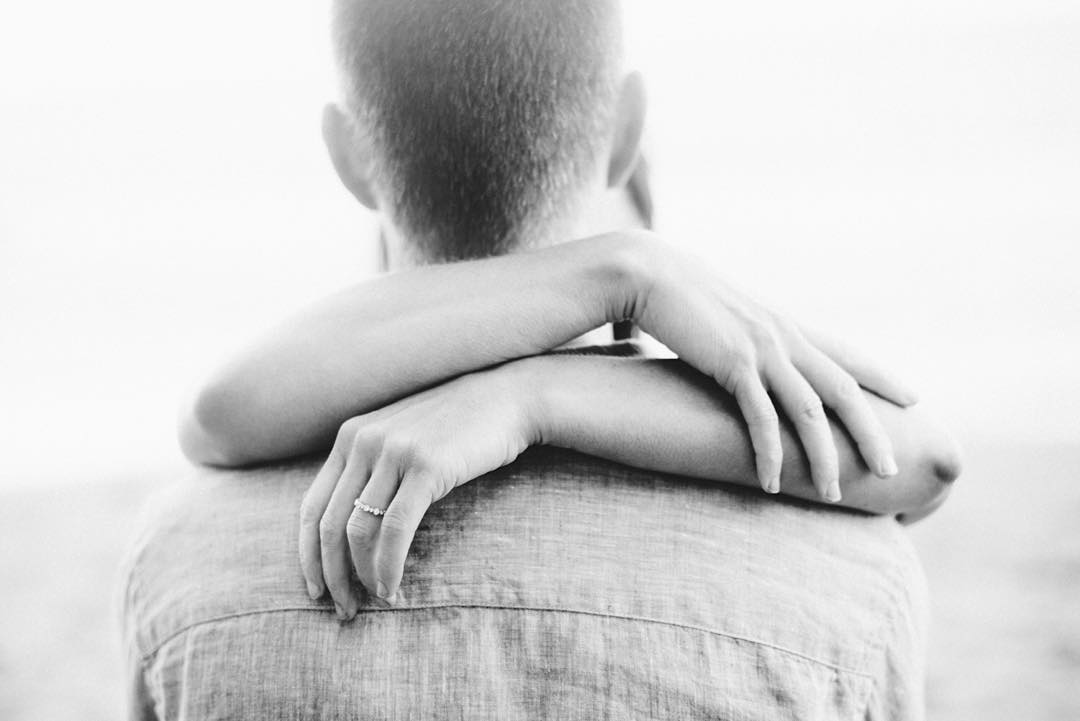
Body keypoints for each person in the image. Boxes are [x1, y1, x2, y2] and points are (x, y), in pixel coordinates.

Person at [120, 0, 961, 718]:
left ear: (347, 153)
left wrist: (535, 392)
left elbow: (213, 419)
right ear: (626, 129)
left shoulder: (176, 559)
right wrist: (621, 276)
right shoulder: (852, 577)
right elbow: (925, 459)